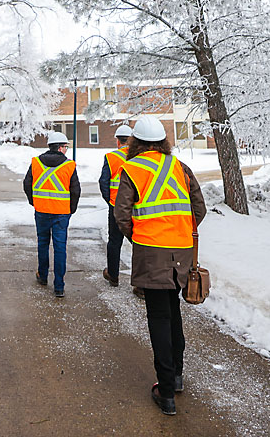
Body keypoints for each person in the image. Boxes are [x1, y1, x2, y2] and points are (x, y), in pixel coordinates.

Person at [113, 116, 206, 416]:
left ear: (135, 142)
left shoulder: (131, 168)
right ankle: (176, 377)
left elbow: (122, 214)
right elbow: (199, 209)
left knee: (159, 318)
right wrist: (180, 232)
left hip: (151, 251)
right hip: (182, 250)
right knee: (173, 311)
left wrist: (139, 238)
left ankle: (165, 391)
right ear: (163, 141)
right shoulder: (180, 167)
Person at [23, 130, 80, 298]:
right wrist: (71, 209)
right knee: (60, 247)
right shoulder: (69, 166)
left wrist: (34, 202)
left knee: (42, 243)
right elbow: (75, 190)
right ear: (61, 148)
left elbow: (27, 184)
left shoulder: (36, 163)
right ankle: (59, 286)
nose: (67, 150)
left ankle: (42, 276)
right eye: (66, 147)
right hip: (61, 213)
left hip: (41, 211)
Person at [99, 124, 134, 290]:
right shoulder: (139, 157)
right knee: (140, 243)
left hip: (116, 207)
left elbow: (103, 182)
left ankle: (113, 275)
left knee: (114, 241)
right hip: (137, 208)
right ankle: (141, 283)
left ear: (118, 141)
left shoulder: (111, 158)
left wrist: (110, 201)